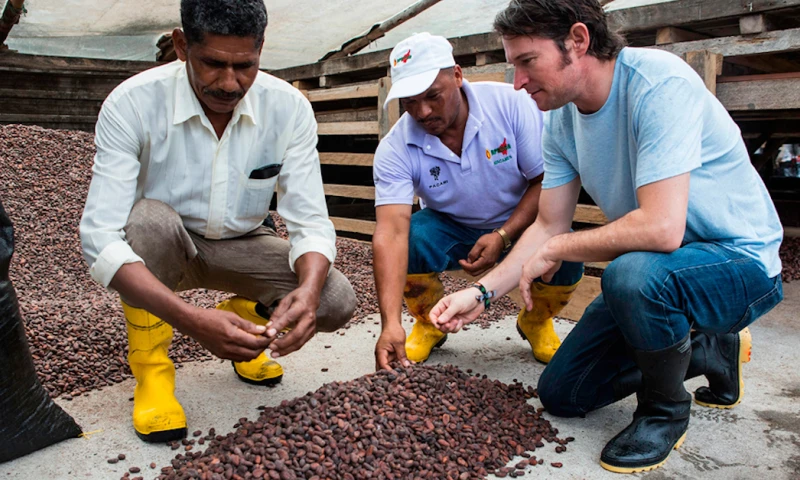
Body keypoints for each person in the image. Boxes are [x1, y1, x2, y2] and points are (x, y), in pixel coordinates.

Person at [429, 0, 784, 474]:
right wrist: (481, 292)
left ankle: (664, 412)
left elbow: (660, 228)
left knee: (632, 272)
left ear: (578, 41)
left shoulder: (659, 83)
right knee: (564, 394)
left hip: (739, 264)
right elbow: (548, 224)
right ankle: (712, 349)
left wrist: (557, 249)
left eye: (527, 62)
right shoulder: (559, 119)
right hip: (665, 271)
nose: (517, 83)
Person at [79, 0, 356, 443]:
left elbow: (311, 223)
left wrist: (304, 292)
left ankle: (243, 324)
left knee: (334, 299)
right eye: (213, 64)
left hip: (245, 240)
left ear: (261, 49)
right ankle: (152, 373)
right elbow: (98, 237)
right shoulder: (132, 103)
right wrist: (191, 321)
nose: (229, 83)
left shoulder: (288, 109)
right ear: (182, 44)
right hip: (164, 246)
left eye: (244, 65)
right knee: (148, 223)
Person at [372, 32, 583, 371]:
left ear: (457, 75)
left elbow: (544, 180)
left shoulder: (511, 105)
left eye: (432, 96)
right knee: (412, 238)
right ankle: (427, 321)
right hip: (451, 227)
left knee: (565, 247)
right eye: (409, 103)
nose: (422, 112)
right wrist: (390, 324)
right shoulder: (396, 148)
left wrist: (504, 235)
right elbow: (390, 233)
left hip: (523, 223)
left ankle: (536, 320)